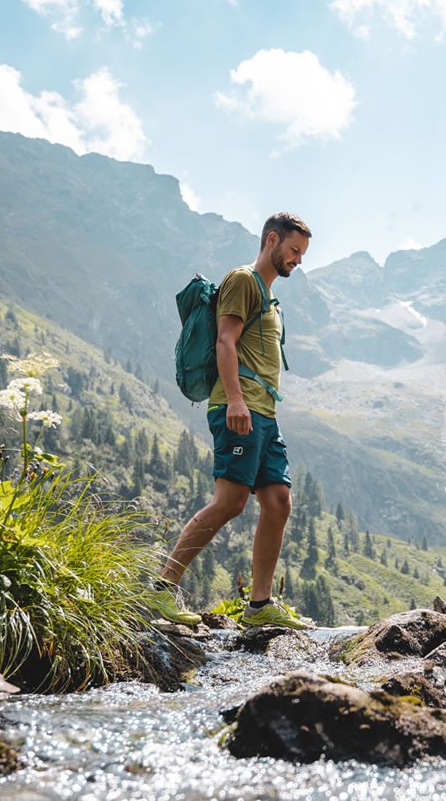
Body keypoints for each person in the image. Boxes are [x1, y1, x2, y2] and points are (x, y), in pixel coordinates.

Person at [148, 212, 312, 628]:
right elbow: (225, 340)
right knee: (230, 501)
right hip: (239, 408)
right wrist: (236, 401)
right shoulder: (242, 281)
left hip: (264, 413)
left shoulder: (270, 298)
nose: (297, 260)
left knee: (278, 501)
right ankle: (161, 590)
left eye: (302, 254)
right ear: (272, 240)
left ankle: (259, 606)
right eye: (294, 250)